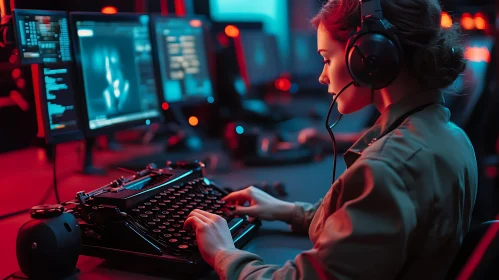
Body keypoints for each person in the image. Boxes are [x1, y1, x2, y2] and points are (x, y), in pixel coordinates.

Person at [183, 0, 478, 279]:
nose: (323, 76)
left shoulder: (387, 171)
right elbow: (373, 232)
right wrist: (290, 211)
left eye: (327, 59)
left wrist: (223, 252)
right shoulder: (451, 137)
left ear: (369, 59)